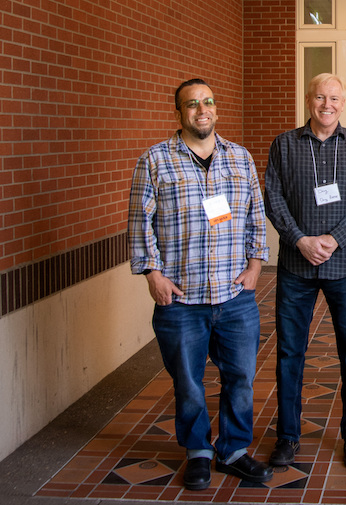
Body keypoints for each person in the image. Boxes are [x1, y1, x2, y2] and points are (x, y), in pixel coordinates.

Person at [128, 78, 272, 490]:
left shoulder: (240, 158)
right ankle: (198, 452)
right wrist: (152, 274)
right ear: (179, 112)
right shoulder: (155, 160)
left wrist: (256, 264)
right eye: (192, 104)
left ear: (216, 107)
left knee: (240, 377)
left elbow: (254, 216)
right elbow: (140, 224)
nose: (201, 110)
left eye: (207, 102)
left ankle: (233, 450)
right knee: (188, 381)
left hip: (234, 294)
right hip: (181, 298)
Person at [264, 73, 346, 468]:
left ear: (343, 103)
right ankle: (287, 436)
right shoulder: (283, 144)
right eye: (320, 97)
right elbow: (274, 197)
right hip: (295, 267)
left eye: (334, 97)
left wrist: (337, 237)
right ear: (308, 100)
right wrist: (299, 239)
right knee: (289, 354)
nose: (326, 104)